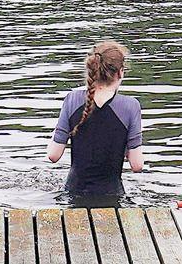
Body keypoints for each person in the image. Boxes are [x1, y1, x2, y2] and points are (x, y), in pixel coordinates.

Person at [47, 40, 145, 201]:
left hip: (73, 194)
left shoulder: (72, 99)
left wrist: (58, 131)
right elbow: (137, 165)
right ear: (120, 72)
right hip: (112, 196)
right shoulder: (130, 106)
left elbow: (53, 155)